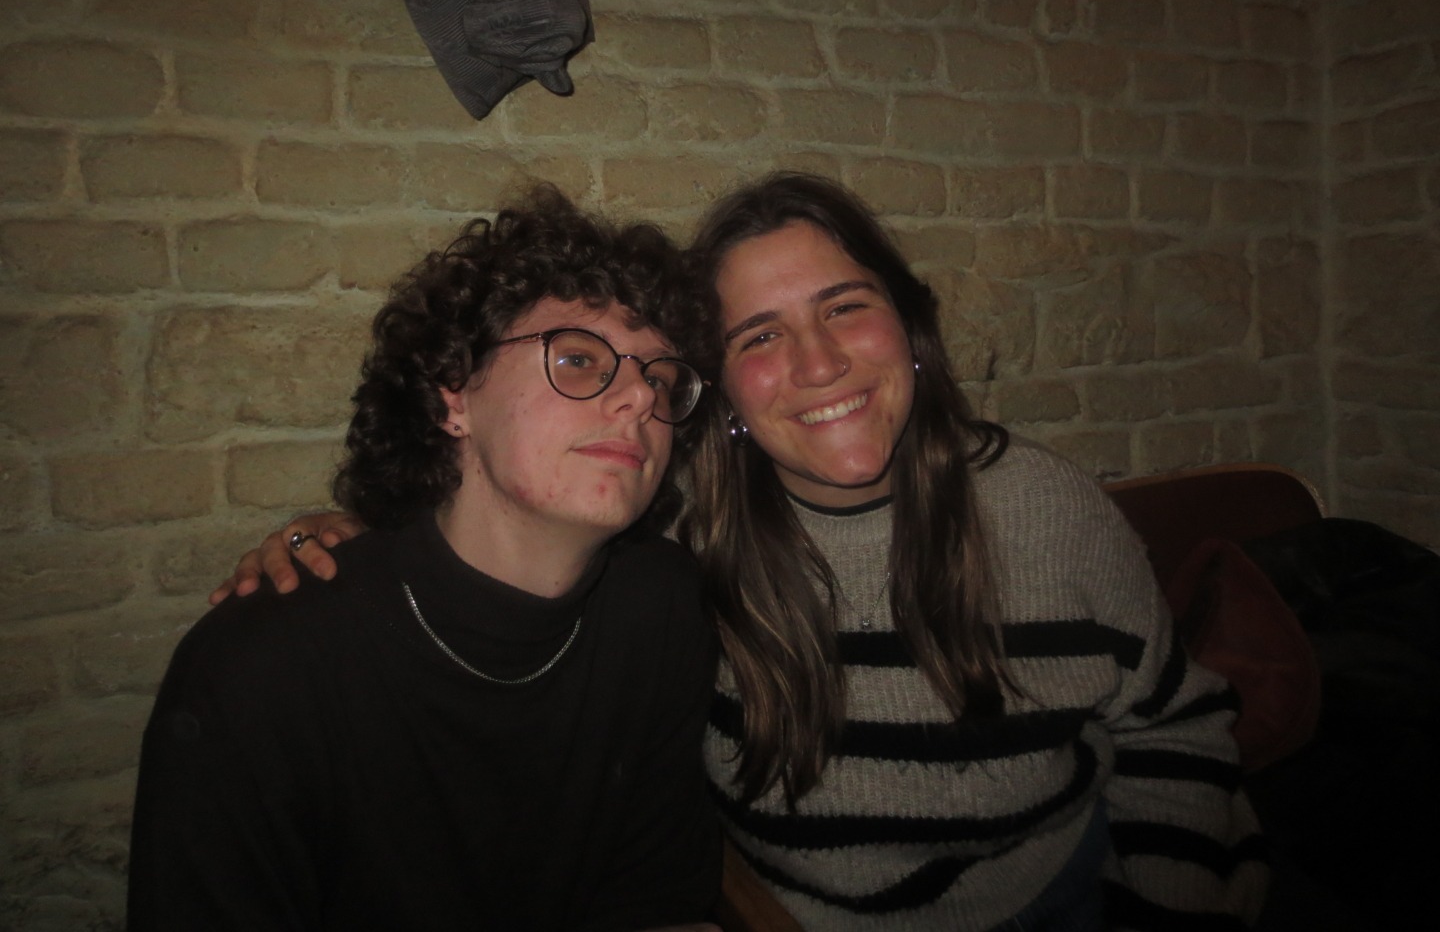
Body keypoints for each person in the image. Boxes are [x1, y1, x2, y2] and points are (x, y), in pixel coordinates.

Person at [222, 175, 1268, 930]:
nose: (818, 363)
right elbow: (511, 538)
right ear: (718, 392)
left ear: (910, 330)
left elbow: (1173, 730)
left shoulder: (1046, 509)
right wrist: (366, 538)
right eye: (759, 336)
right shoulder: (674, 543)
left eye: (845, 307)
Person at [129, 189, 722, 931]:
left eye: (661, 378)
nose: (638, 397)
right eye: (578, 359)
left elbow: (658, 901)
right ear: (454, 398)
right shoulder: (260, 666)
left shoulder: (661, 607)